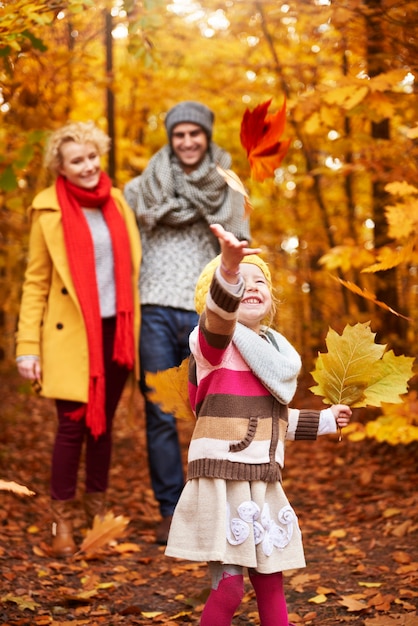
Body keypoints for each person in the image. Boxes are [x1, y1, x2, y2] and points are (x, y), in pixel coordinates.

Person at [165, 223, 352, 625]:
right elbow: (218, 321)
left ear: (271, 298)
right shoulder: (212, 346)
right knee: (230, 586)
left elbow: (274, 420)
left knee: (271, 579)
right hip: (223, 481)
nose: (252, 285)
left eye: (260, 280)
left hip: (263, 481)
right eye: (240, 280)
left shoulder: (273, 355)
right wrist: (228, 273)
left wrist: (323, 421)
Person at [124, 101, 250, 544]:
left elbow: (241, 247)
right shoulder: (140, 189)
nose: (188, 141)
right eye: (180, 134)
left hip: (207, 310)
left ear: (208, 136)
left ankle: (215, 506)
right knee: (160, 411)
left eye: (196, 133)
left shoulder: (229, 187)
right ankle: (171, 509)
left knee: (215, 410)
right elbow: (126, 246)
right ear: (170, 138)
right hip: (153, 307)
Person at [15, 121, 142, 558]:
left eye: (92, 157)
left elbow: (131, 272)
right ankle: (60, 523)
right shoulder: (47, 210)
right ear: (61, 167)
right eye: (76, 161)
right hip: (71, 335)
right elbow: (35, 283)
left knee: (103, 429)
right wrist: (26, 346)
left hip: (117, 333)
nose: (87, 167)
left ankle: (96, 516)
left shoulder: (119, 203)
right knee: (71, 428)